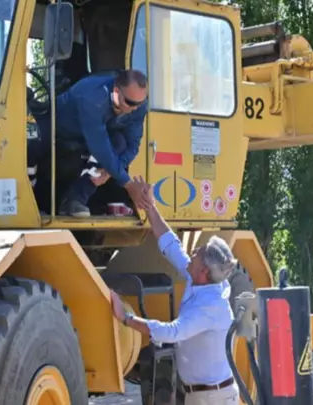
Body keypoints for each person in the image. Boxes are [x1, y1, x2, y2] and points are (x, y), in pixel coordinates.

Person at [109, 176, 240, 405]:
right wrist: (150, 207)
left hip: (212, 398)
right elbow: (172, 246)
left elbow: (171, 332)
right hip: (200, 394)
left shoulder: (211, 306)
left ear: (204, 271)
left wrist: (126, 318)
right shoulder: (199, 278)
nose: (194, 251)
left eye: (199, 252)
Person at [36, 69, 149, 217]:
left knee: (119, 143)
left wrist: (111, 171)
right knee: (32, 141)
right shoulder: (93, 98)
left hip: (92, 134)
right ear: (116, 91)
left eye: (140, 103)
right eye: (130, 103)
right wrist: (127, 183)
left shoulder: (138, 107)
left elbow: (133, 146)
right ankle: (33, 200)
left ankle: (75, 200)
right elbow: (100, 146)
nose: (135, 108)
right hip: (58, 127)